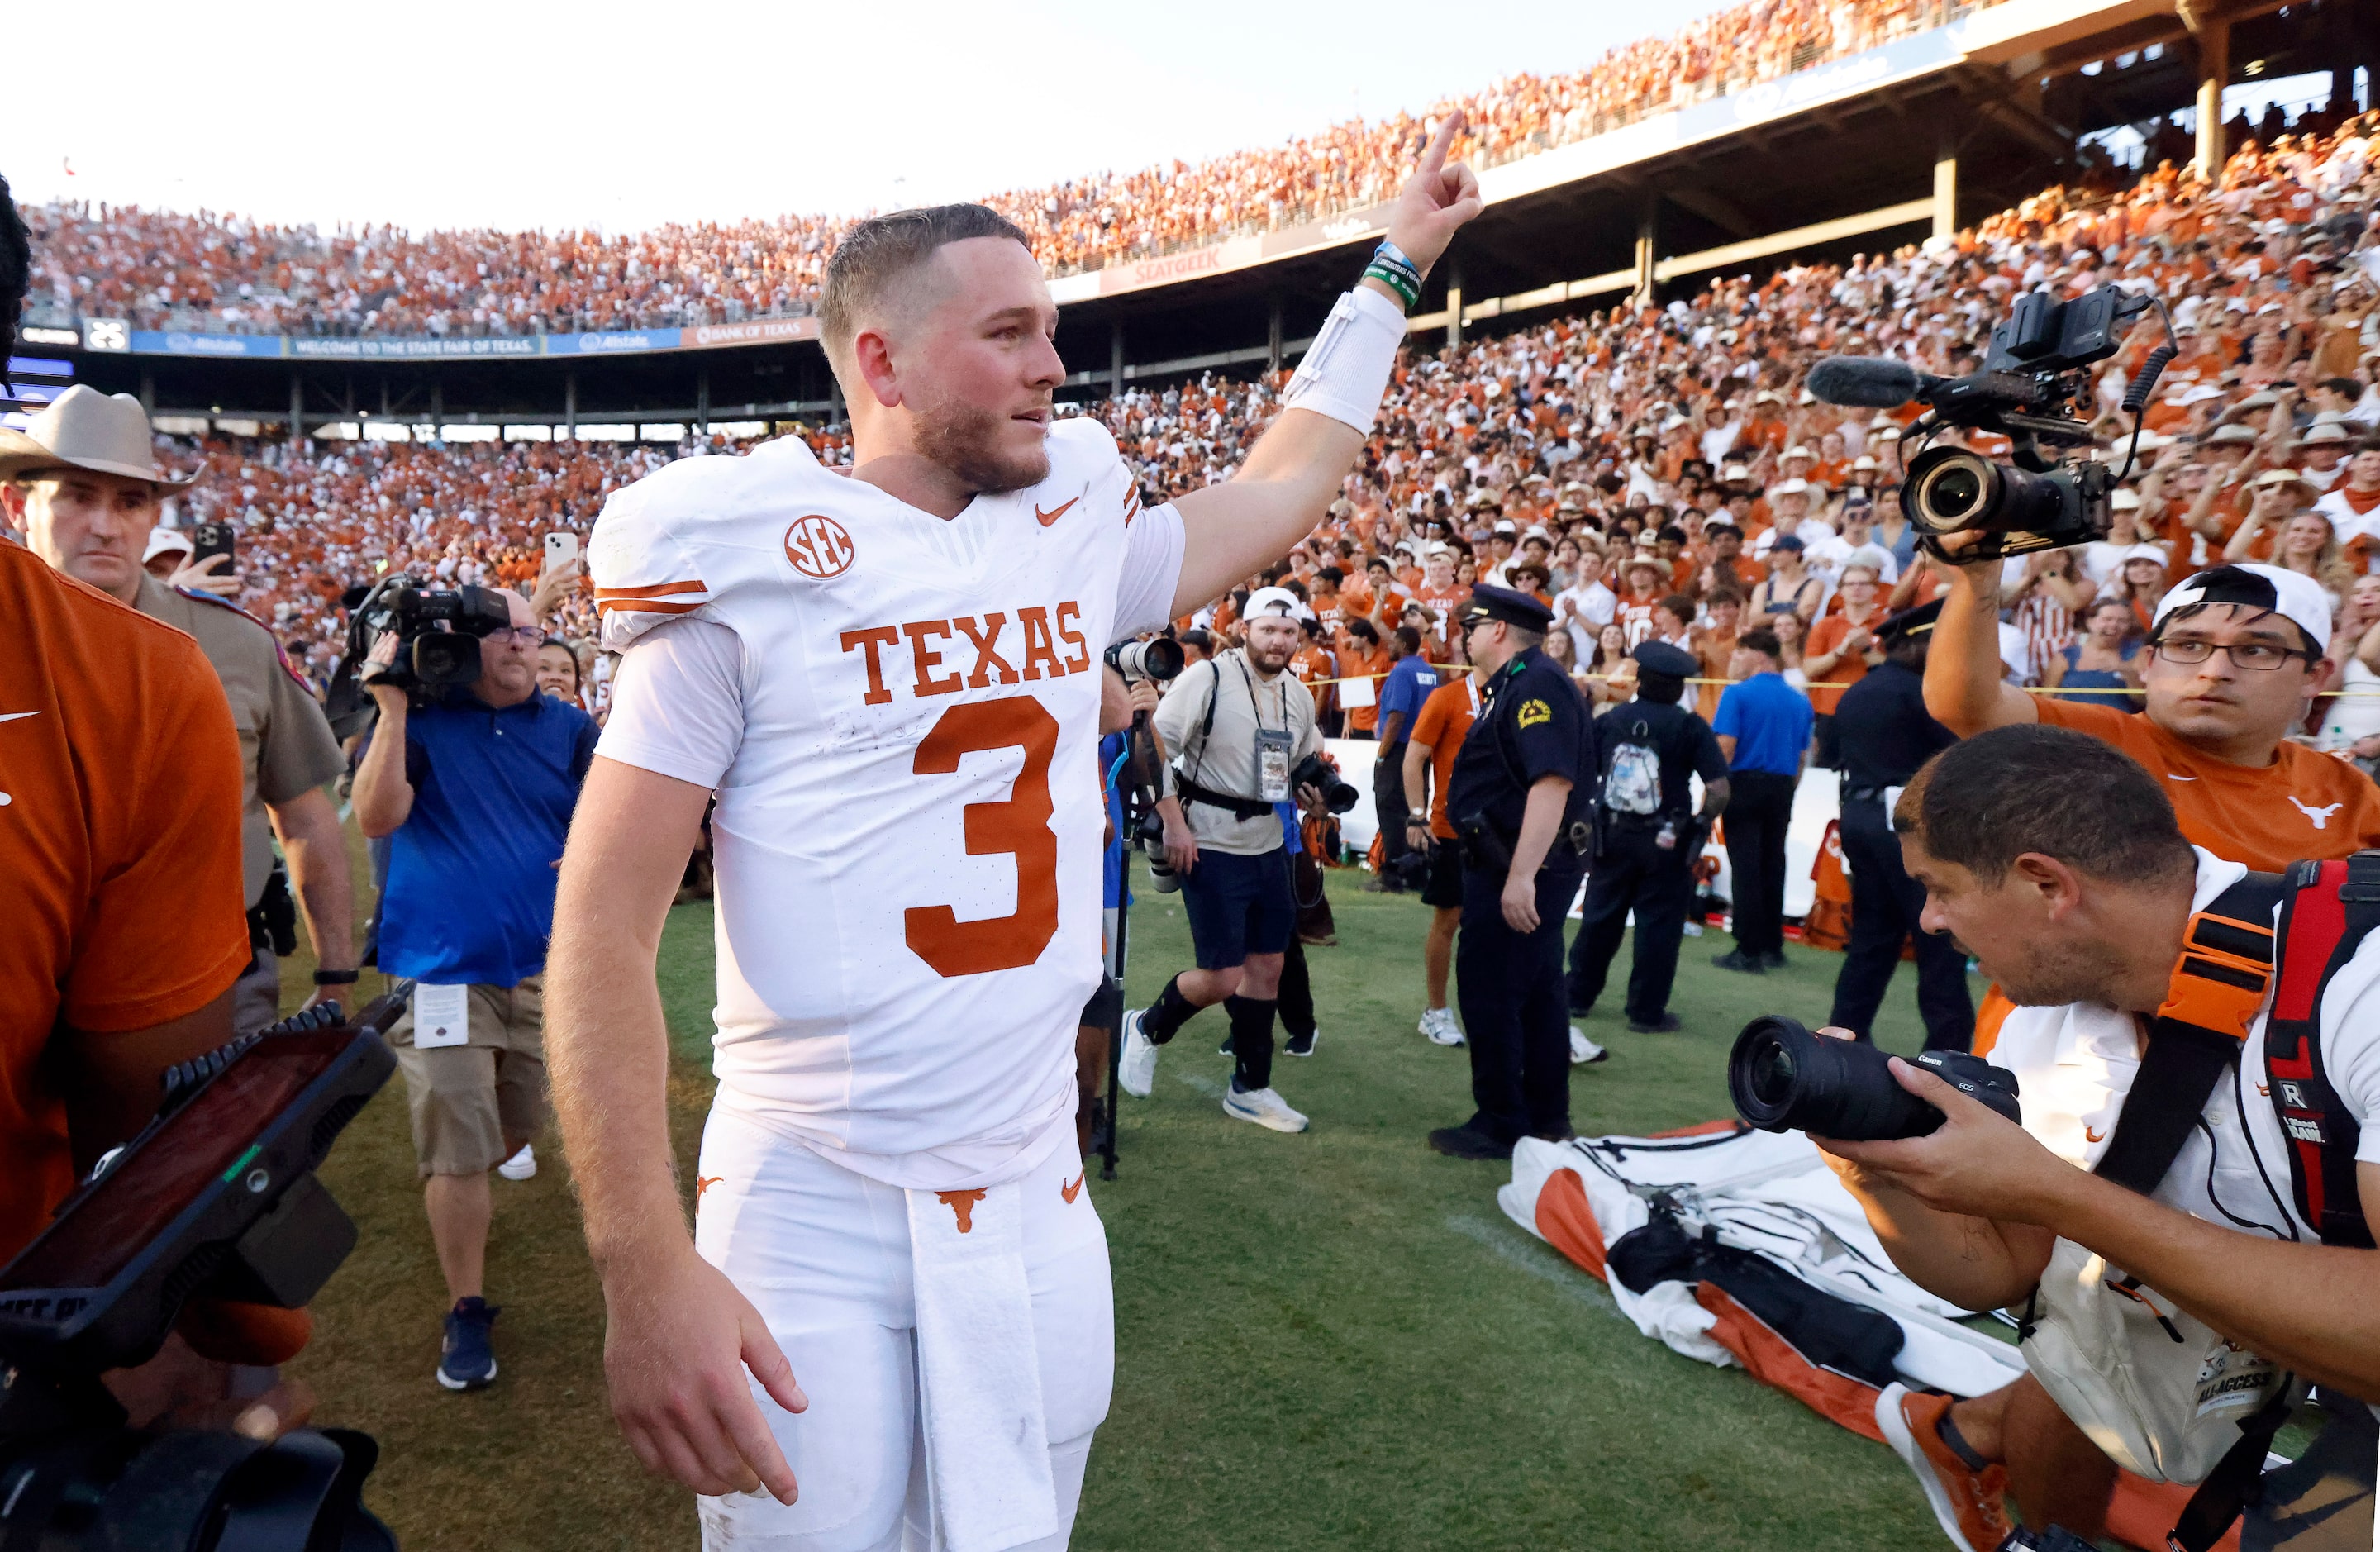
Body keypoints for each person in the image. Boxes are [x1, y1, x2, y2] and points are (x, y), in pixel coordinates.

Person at [547, 125, 1480, 1549]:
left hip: (1037, 1184)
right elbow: (601, 928)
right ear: (883, 361)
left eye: (1052, 329)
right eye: (1009, 332)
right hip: (816, 1193)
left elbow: (1286, 485)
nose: (1056, 365)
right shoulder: (743, 564)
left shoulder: (1063, 527)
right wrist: (640, 1261)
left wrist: (1394, 265)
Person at [1821, 726, 2376, 1552]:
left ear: (2047, 885)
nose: (1931, 921)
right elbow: (1999, 1272)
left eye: (1939, 888)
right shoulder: (2051, 1025)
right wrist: (1871, 1168)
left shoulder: (2358, 979)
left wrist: (2061, 1195)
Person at [0, 386, 357, 1035]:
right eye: (79, 496)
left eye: (130, 501)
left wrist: (335, 973)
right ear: (17, 505)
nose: (106, 525)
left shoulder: (237, 646)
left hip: (213, 980)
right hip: (20, 980)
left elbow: (305, 816)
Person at [351, 583, 598, 1392]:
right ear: (467, 646)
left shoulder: (568, 729)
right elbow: (377, 818)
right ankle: (466, 1306)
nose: (524, 645)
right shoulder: (420, 724)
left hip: (542, 968)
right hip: (440, 971)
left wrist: (593, 855)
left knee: (511, 1136)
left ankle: (471, 1175)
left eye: (532, 632)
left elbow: (617, 811)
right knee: (459, 1148)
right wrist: (389, 713)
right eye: (505, 634)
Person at [1926, 559, 2380, 873]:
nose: (2214, 672)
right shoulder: (2099, 745)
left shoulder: (2348, 792)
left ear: (2315, 676)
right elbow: (1964, 701)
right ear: (2147, 663)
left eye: (2256, 650)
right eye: (2188, 646)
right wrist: (1978, 575)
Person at [1119, 587, 1327, 1131]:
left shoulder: (1299, 695)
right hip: (1207, 840)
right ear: (1244, 630)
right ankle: (1144, 1027)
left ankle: (1250, 1088)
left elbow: (1304, 760)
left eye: (1288, 632)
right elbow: (1153, 748)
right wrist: (1174, 821)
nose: (1278, 641)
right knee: (1222, 976)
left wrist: (1315, 792)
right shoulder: (1207, 678)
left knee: (1268, 968)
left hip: (1268, 843)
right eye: (1268, 630)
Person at [1426, 584, 1597, 1162]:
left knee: (1492, 991)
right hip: (1515, 861)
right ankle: (1546, 1118)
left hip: (1519, 866)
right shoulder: (1521, 684)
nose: (1465, 638)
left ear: (1496, 629)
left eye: (1471, 628)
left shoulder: (1534, 685)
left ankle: (1501, 1121)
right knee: (1538, 993)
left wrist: (1521, 876)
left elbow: (1552, 782)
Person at [1823, 602, 1970, 1051]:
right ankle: (1948, 1050)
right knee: (1938, 935)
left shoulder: (1857, 690)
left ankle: (1843, 1036)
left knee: (1873, 935)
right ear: (1916, 645)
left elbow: (1830, 753)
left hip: (1860, 817)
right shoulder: (1922, 694)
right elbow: (1962, 756)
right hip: (1908, 825)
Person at [1566, 641, 1730, 1033]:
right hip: (1667, 841)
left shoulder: (1612, 719)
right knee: (1659, 927)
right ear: (1679, 687)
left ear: (1638, 680)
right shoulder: (1691, 726)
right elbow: (1720, 788)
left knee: (1600, 918)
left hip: (1612, 834)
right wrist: (1700, 822)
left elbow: (1581, 770)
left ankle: (1577, 996)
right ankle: (1645, 1011)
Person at [1710, 627, 1812, 974]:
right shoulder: (1799, 700)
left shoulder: (1737, 694)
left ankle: (1747, 947)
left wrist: (1715, 786)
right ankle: (1772, 944)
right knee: (1773, 863)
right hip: (1781, 786)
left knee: (1747, 866)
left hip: (1745, 783)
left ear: (1758, 654)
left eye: (1740, 653)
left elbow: (1726, 746)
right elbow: (1802, 755)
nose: (1735, 659)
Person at [1402, 645, 1478, 1047]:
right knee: (1448, 920)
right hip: (1451, 829)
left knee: (1500, 926)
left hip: (1503, 832)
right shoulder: (1448, 697)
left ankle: (1496, 1009)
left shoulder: (1521, 698)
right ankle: (1436, 1011)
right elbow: (1414, 757)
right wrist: (1417, 815)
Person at [1368, 623, 1440, 893]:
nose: (1389, 646)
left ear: (1404, 645)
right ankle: (1417, 875)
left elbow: (1397, 717)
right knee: (1416, 811)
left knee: (1390, 810)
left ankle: (1393, 877)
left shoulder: (1401, 672)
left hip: (1398, 750)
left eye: (1393, 642)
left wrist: (1381, 755)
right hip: (1422, 751)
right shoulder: (1429, 672)